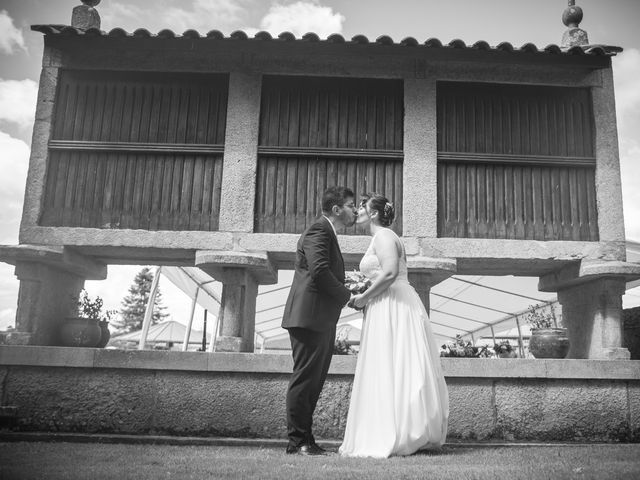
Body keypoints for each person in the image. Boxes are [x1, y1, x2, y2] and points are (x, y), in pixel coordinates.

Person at [339, 193, 449, 458]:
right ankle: (394, 425)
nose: (358, 212)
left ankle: (401, 430)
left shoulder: (385, 236)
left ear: (374, 213)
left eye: (363, 207)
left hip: (392, 303)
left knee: (396, 362)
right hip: (386, 301)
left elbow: (388, 273)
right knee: (388, 364)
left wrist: (364, 296)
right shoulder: (381, 237)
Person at [282, 186, 357, 456]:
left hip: (319, 317)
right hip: (308, 317)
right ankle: (298, 441)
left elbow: (325, 271)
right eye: (350, 205)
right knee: (305, 380)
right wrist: (349, 296)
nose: (355, 210)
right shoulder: (319, 230)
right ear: (336, 209)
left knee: (313, 381)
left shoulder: (327, 231)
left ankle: (306, 439)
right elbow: (320, 270)